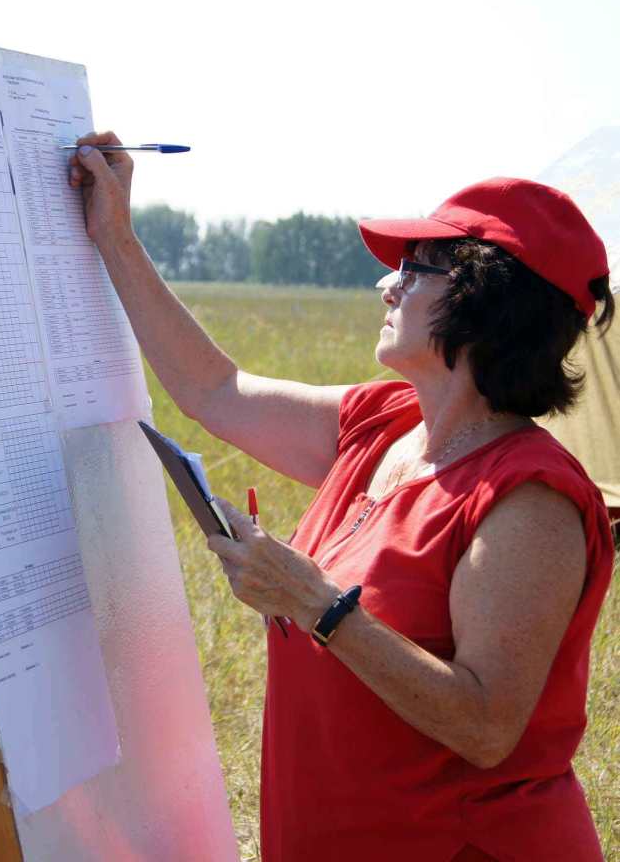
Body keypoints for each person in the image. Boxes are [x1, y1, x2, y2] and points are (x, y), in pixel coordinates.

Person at [68, 136, 615, 862]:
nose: (386, 287)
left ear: (487, 301)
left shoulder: (530, 499)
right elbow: (214, 389)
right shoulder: (381, 422)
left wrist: (314, 602)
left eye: (414, 269)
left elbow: (485, 725)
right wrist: (114, 236)